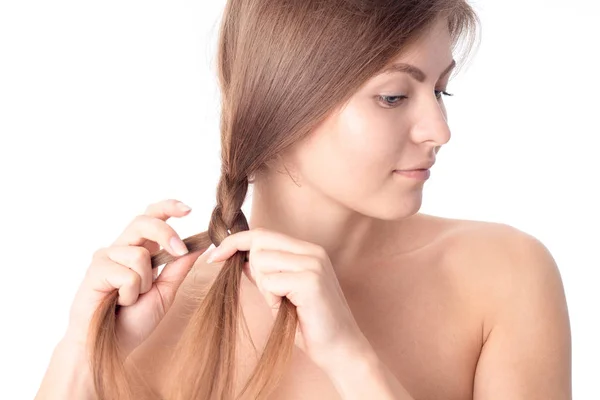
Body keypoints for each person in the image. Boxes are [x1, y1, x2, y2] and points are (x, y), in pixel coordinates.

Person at [34, 1, 572, 399]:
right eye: (393, 96)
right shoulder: (158, 310)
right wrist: (83, 353)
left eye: (440, 91)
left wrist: (354, 362)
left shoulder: (502, 274)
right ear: (284, 103)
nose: (439, 130)